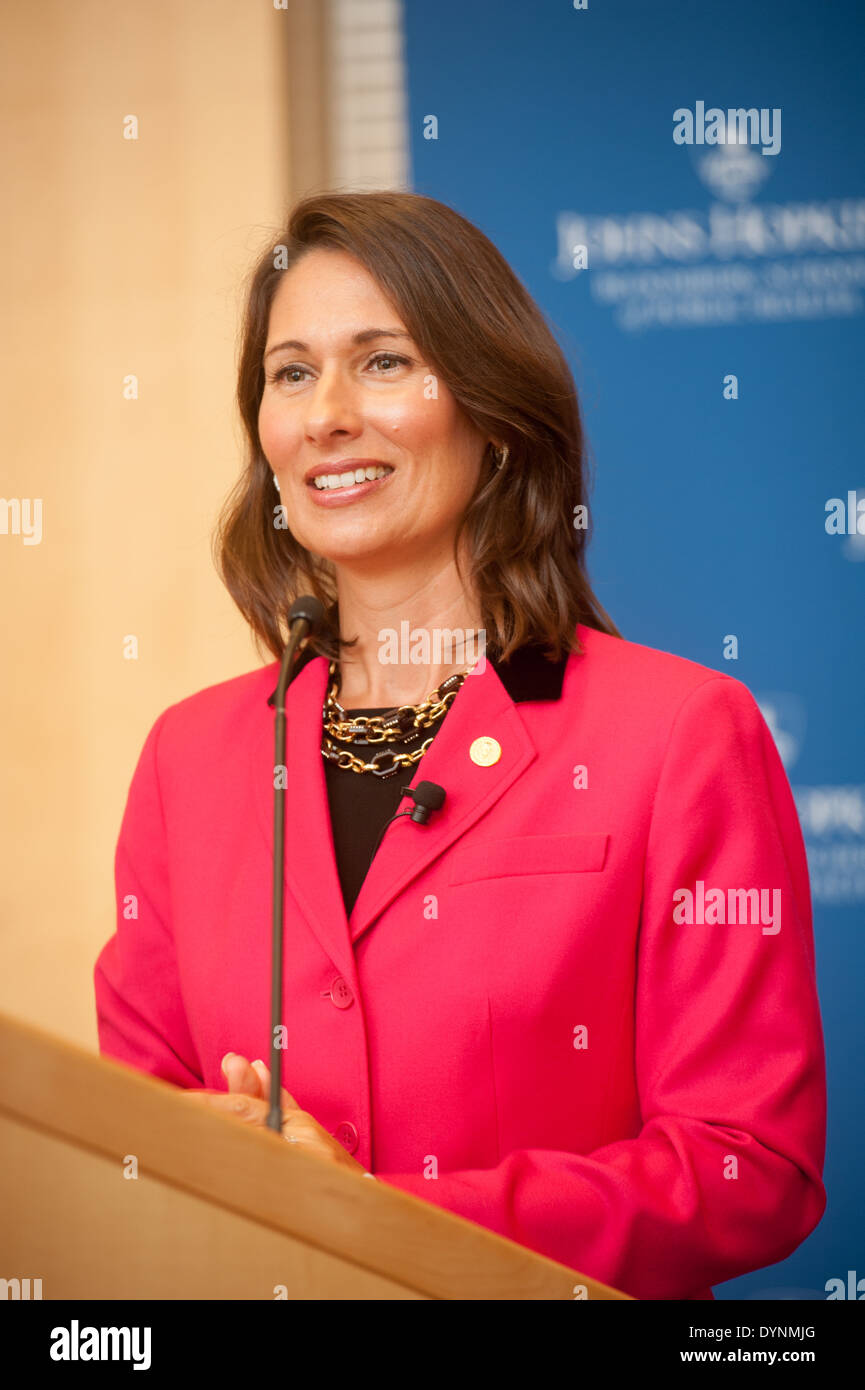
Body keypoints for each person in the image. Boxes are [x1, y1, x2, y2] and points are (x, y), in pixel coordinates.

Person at [94, 190, 826, 1300]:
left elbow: (747, 1167)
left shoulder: (677, 733)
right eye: (291, 374)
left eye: (383, 363)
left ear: (494, 411)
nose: (326, 416)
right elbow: (130, 1148)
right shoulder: (187, 759)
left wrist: (378, 1219)